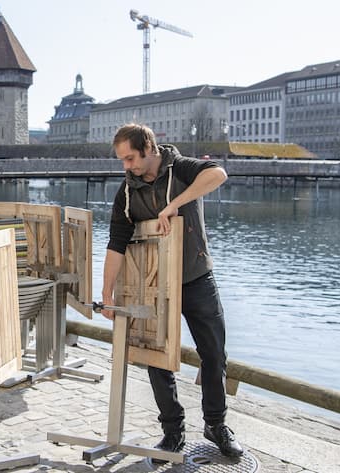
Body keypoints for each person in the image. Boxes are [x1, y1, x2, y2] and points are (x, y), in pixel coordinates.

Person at [100, 123, 243, 459]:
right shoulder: (126, 193)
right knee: (156, 357)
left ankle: (216, 424)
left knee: (213, 353)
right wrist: (107, 293)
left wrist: (172, 204)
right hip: (153, 285)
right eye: (122, 160)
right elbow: (116, 244)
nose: (127, 166)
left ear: (149, 147)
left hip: (197, 278)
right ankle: (172, 430)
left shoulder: (182, 168)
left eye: (131, 158)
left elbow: (218, 174)